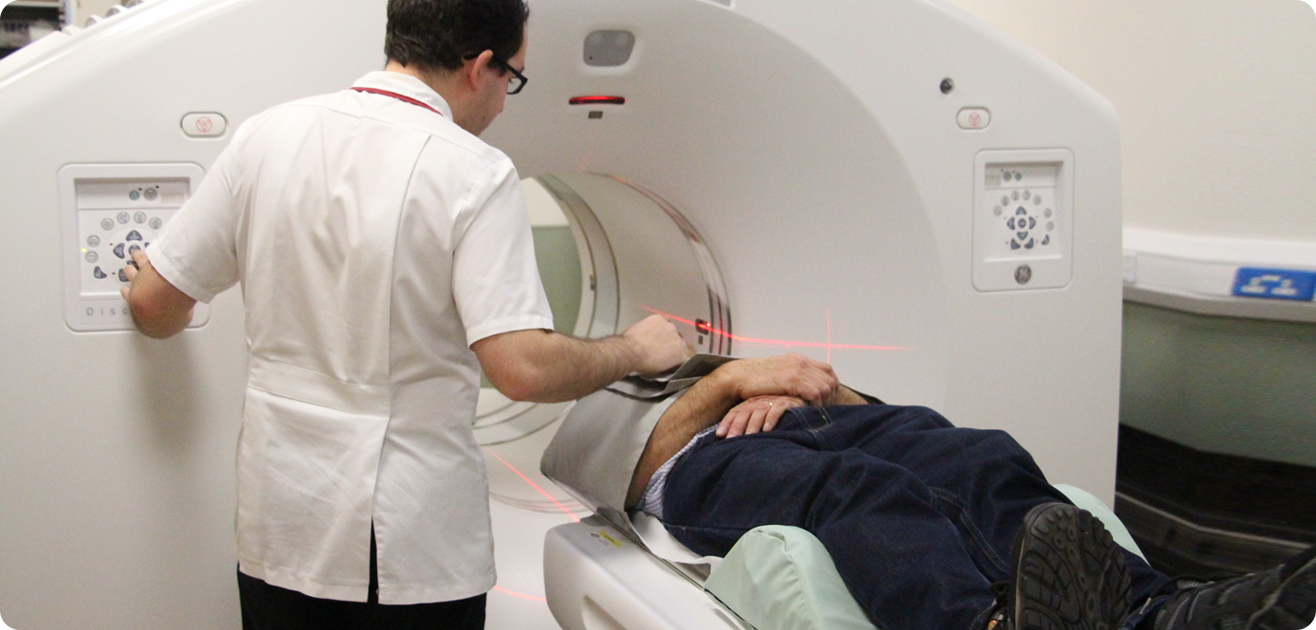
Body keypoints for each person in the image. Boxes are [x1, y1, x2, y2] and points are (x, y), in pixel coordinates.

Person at [119, 0, 688, 628]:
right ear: (479, 67)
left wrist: (148, 273)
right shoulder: (473, 171)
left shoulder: (267, 135)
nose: (505, 102)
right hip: (407, 550)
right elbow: (522, 369)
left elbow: (154, 307)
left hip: (280, 527)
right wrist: (634, 350)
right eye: (513, 79)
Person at [564, 355, 1316, 630]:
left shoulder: (738, 347)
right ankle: (984, 624)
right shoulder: (608, 380)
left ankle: (1155, 607)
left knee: (977, 455)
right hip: (703, 460)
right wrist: (728, 385)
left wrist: (799, 387)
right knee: (857, 489)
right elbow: (623, 471)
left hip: (810, 421)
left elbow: (846, 395)